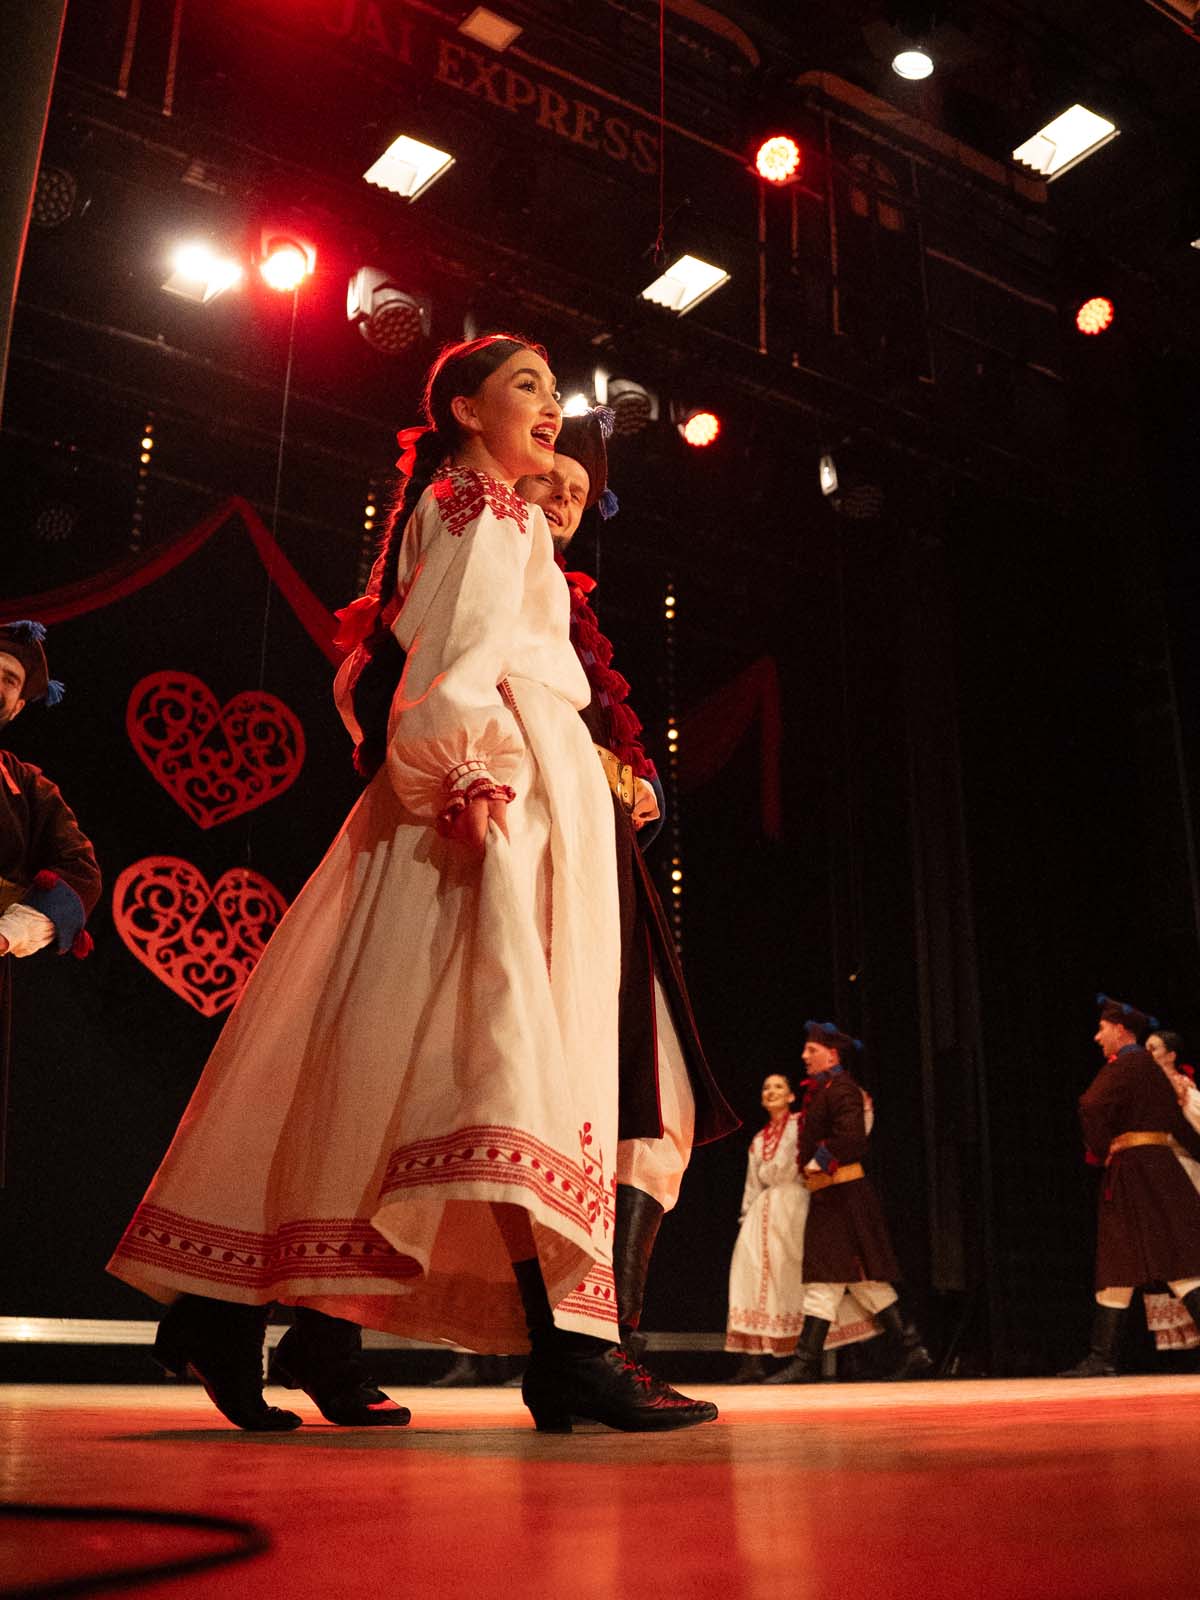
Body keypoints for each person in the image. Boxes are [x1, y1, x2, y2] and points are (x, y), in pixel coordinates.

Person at [108, 334, 712, 1435]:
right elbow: (449, 659)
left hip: (502, 778)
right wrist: (467, 773)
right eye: (525, 386)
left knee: (387, 1048)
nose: (551, 408)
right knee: (499, 1058)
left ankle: (249, 1311)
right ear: (465, 411)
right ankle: (571, 1349)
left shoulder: (470, 510)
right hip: (495, 788)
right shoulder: (487, 509)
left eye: (554, 391)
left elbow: (420, 654)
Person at [515, 410, 738, 1363]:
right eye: (549, 481)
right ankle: (584, 1349)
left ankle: (600, 1343)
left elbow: (584, 720)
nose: (564, 502)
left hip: (596, 868)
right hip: (529, 856)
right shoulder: (496, 563)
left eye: (578, 493)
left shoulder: (561, 598)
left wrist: (630, 774)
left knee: (655, 1113)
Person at [768, 1021, 933, 1384]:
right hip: (833, 1198)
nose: (804, 1056)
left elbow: (852, 1139)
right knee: (859, 1281)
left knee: (831, 1280)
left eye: (812, 1050)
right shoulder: (826, 1090)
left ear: (832, 1055)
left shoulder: (842, 1090)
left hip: (843, 1197)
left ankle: (806, 1362)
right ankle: (912, 1349)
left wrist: (818, 1161)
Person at [0, 620, 100, 1186]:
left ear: (17, 707)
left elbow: (79, 872)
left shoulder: (27, 787)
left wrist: (8, 932)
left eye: (10, 679)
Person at [1060, 995, 1200, 1377]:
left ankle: (1101, 1357)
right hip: (1157, 1171)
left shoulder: (1128, 1063)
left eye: (1102, 1029)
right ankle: (1101, 1356)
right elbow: (1177, 1122)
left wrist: (1101, 1147)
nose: (1096, 1037)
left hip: (1136, 1173)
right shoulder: (1148, 1069)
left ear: (1120, 1030)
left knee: (1147, 1259)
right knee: (1137, 1260)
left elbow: (1090, 1104)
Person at [724, 1072, 880, 1382]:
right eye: (766, 1087)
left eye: (778, 1086)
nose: (771, 1091)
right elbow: (752, 1185)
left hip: (797, 1207)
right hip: (762, 1216)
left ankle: (846, 1356)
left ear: (791, 1096)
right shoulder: (758, 1140)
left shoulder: (801, 1124)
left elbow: (843, 1134)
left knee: (810, 1281)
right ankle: (751, 1362)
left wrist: (858, 1103)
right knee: (751, 1280)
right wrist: (746, 1219)